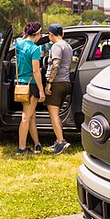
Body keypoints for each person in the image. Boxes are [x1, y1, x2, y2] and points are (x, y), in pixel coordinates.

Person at [15, 22, 46, 154]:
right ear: (38, 33)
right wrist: (41, 91)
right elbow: (36, 71)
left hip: (20, 84)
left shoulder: (18, 44)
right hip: (31, 85)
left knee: (31, 116)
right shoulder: (35, 49)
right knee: (26, 117)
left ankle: (37, 144)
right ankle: (22, 148)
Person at [43, 23, 73, 154]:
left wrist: (49, 82)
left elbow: (55, 64)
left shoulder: (56, 46)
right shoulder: (68, 46)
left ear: (50, 35)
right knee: (57, 114)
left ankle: (61, 142)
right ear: (62, 34)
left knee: (53, 115)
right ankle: (58, 139)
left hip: (57, 83)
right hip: (65, 82)